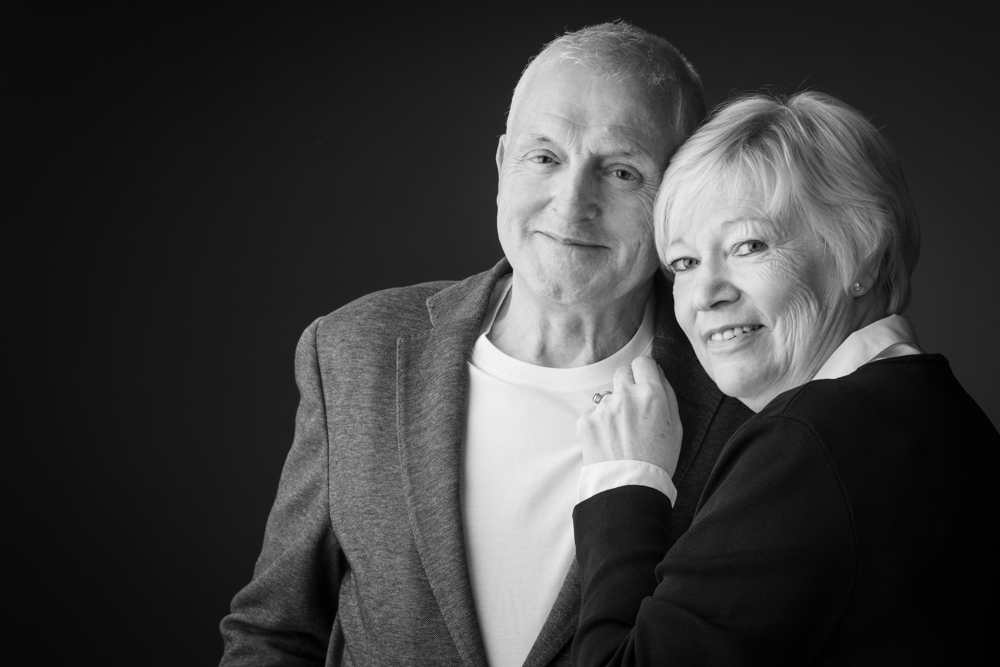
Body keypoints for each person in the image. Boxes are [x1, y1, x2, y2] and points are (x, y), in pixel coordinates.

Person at [219, 22, 753, 666]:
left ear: (677, 198)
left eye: (620, 171)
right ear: (503, 165)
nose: (571, 203)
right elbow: (275, 633)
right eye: (545, 157)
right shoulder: (354, 351)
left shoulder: (742, 390)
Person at [571, 91, 1000, 665]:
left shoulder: (814, 441)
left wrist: (625, 484)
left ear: (863, 256)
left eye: (749, 245)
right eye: (684, 263)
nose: (705, 295)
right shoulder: (938, 412)